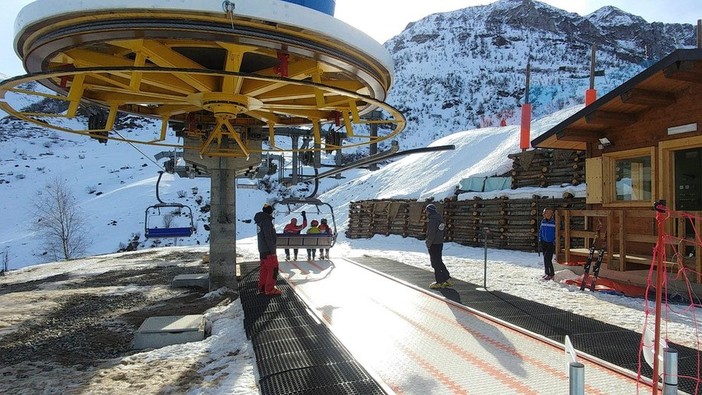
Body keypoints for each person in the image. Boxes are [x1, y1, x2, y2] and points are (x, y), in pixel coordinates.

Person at [254, 203, 281, 296]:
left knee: (264, 269)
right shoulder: (266, 222)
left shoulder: (260, 221)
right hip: (269, 251)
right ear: (270, 212)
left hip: (262, 250)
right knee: (273, 269)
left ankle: (262, 287)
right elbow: (268, 237)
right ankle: (269, 289)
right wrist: (273, 250)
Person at [425, 204, 452, 289]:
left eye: (427, 211)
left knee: (435, 263)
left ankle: (439, 281)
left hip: (434, 244)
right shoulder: (440, 219)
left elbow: (431, 234)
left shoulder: (432, 221)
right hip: (439, 243)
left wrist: (428, 243)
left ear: (429, 211)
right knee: (439, 261)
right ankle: (446, 278)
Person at [539, 207, 556, 280]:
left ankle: (551, 274)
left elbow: (557, 232)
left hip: (551, 243)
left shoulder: (554, 222)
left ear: (551, 214)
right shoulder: (543, 221)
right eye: (545, 213)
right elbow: (540, 230)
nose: (546, 214)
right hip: (544, 242)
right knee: (545, 258)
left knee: (547, 258)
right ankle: (547, 273)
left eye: (548, 213)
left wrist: (555, 240)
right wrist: (540, 238)